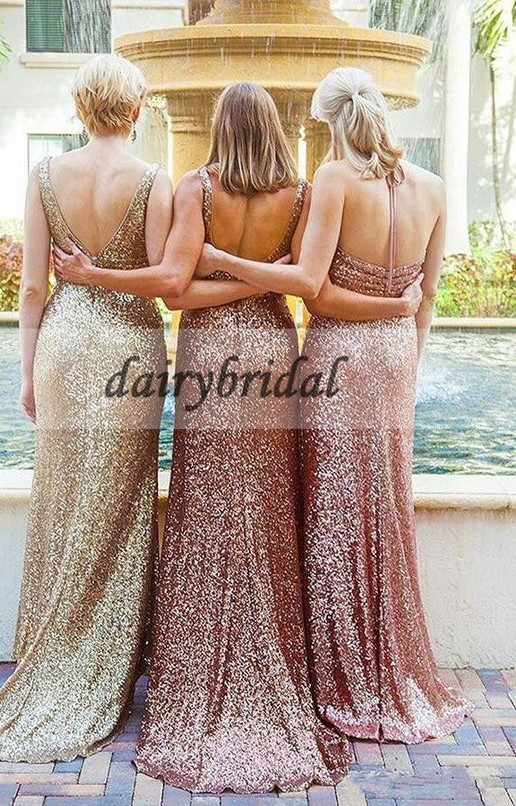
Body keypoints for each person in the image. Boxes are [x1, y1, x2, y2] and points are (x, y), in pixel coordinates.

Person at [197, 67, 472, 743]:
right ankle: (393, 672)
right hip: (397, 358)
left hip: (338, 359)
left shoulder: (334, 180)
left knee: (334, 512)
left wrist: (224, 260)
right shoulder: (434, 188)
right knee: (385, 509)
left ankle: (339, 680)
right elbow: (426, 299)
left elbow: (311, 289)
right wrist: (405, 348)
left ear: (328, 121)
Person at [0, 54, 175, 763]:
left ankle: (55, 652)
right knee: (119, 503)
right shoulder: (153, 180)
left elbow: (31, 288)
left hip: (65, 345)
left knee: (65, 496)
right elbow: (164, 285)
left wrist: (27, 372)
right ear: (134, 109)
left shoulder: (44, 175)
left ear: (80, 108)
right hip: (129, 345)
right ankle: (103, 661)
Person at [134, 82, 351, 794]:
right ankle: (270, 665)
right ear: (276, 127)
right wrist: (260, 283)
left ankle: (195, 671)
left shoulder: (198, 189)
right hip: (270, 348)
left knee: (205, 500)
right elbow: (303, 284)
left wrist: (220, 265)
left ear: (221, 127)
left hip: (208, 354)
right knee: (266, 505)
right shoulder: (301, 195)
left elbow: (174, 291)